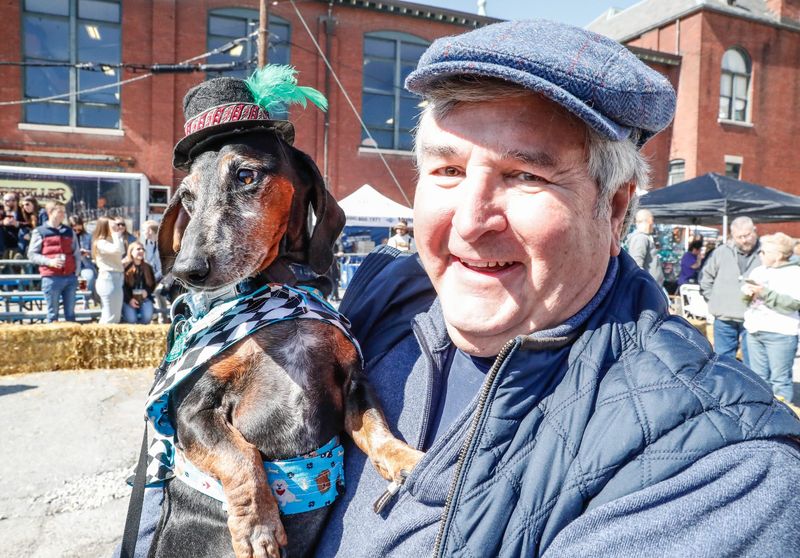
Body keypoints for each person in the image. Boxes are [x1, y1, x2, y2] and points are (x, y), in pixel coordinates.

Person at [126, 20, 800, 558]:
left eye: (526, 176)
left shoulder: (714, 466)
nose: (471, 223)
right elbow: (183, 459)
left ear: (616, 206)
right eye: (447, 171)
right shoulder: (375, 301)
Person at [742, 233, 800, 403]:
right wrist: (747, 294)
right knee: (758, 379)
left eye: (764, 252)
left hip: (781, 333)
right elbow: (746, 301)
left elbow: (793, 304)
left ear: (778, 255)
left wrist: (764, 292)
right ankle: (763, 418)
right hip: (755, 330)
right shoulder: (758, 271)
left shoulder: (794, 273)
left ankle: (785, 422)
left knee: (780, 381)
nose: (760, 254)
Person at [699, 216, 760, 364]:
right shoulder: (721, 252)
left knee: (753, 362)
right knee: (724, 361)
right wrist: (713, 299)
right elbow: (705, 278)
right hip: (724, 316)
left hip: (755, 316)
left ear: (755, 231)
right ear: (732, 236)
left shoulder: (765, 253)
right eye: (739, 237)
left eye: (747, 235)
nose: (744, 240)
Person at [26, 201, 80, 322]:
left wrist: (76, 273)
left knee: (71, 315)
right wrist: (49, 262)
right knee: (52, 315)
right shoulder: (39, 231)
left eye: (64, 212)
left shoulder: (69, 231)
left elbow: (76, 252)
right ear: (50, 212)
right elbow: (32, 254)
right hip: (51, 277)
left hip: (70, 277)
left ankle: (71, 340)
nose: (63, 214)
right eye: (60, 211)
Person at [92, 216, 126, 323]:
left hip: (116, 278)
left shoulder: (111, 240)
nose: (118, 227)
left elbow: (121, 250)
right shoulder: (101, 242)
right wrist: (116, 234)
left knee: (115, 315)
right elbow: (118, 250)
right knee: (109, 316)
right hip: (108, 278)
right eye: (114, 225)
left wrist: (116, 235)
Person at [121, 241, 157, 325]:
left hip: (144, 299)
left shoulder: (148, 267)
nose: (141, 251)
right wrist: (129, 299)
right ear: (131, 252)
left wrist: (147, 292)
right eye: (138, 249)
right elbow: (122, 286)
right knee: (131, 319)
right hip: (128, 299)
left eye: (143, 249)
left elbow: (152, 284)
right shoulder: (125, 267)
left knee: (147, 317)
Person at [625, 208, 664, 285]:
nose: (653, 223)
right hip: (649, 287)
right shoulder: (640, 238)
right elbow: (637, 264)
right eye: (652, 221)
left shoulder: (644, 237)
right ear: (649, 220)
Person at [68, 215, 98, 299]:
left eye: (79, 230)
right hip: (71, 266)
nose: (77, 232)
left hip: (85, 265)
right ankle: (82, 298)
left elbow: (94, 253)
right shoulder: (66, 237)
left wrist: (87, 253)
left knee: (88, 278)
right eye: (74, 230)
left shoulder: (88, 236)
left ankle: (85, 299)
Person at [1, 192, 22, 259]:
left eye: (13, 200)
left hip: (17, 238)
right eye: (6, 200)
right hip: (3, 239)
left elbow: (30, 223)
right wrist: (2, 222)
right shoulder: (1, 209)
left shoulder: (22, 211)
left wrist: (17, 223)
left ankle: (20, 254)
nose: (8, 202)